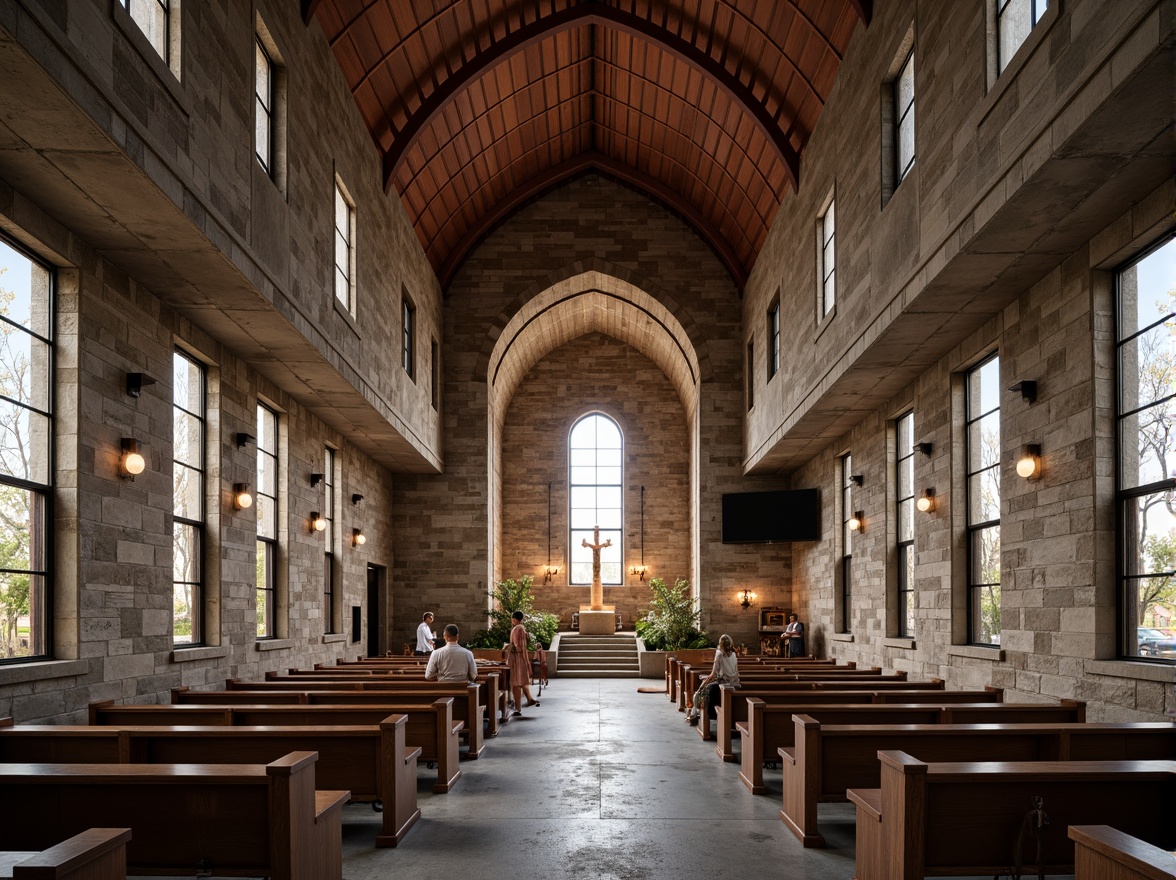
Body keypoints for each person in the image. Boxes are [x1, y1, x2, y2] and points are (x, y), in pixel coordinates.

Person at [687, 634, 739, 725]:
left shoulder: (719, 654)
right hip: (735, 684)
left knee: (701, 692)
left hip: (723, 684)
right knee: (705, 687)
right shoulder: (734, 654)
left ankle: (697, 715)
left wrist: (704, 682)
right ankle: (696, 714)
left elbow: (712, 675)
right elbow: (735, 672)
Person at [507, 610, 539, 715]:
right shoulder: (521, 628)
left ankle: (518, 708)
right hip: (520, 658)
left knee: (516, 683)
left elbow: (518, 646)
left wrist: (509, 647)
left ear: (515, 619)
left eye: (512, 619)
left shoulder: (517, 629)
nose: (512, 621)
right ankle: (529, 699)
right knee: (522, 681)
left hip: (517, 659)